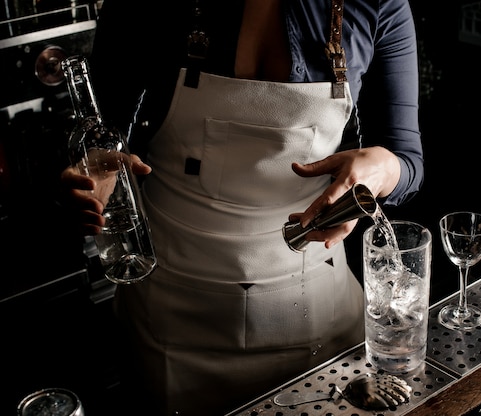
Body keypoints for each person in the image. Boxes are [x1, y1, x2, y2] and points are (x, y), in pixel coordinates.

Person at [60, 0, 424, 414]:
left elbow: (408, 162)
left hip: (318, 316)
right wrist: (93, 173)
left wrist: (384, 169)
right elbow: (97, 133)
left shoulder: (377, 4)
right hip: (170, 319)